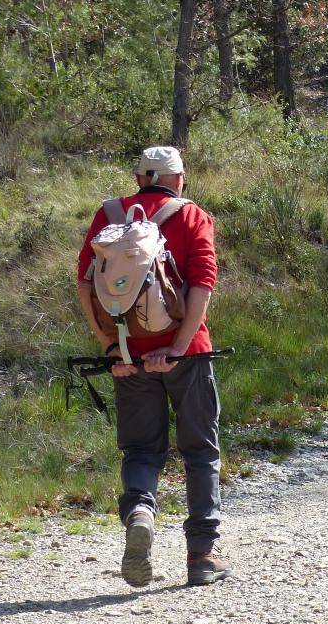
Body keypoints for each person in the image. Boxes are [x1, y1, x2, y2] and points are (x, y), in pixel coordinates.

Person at [76, 146, 231, 588]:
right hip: (188, 354)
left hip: (128, 354)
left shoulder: (108, 214)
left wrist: (111, 346)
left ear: (139, 178)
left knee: (142, 451)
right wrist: (179, 346)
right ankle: (202, 553)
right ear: (178, 179)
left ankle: (141, 512)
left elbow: (85, 286)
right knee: (200, 450)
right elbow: (202, 283)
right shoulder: (191, 216)